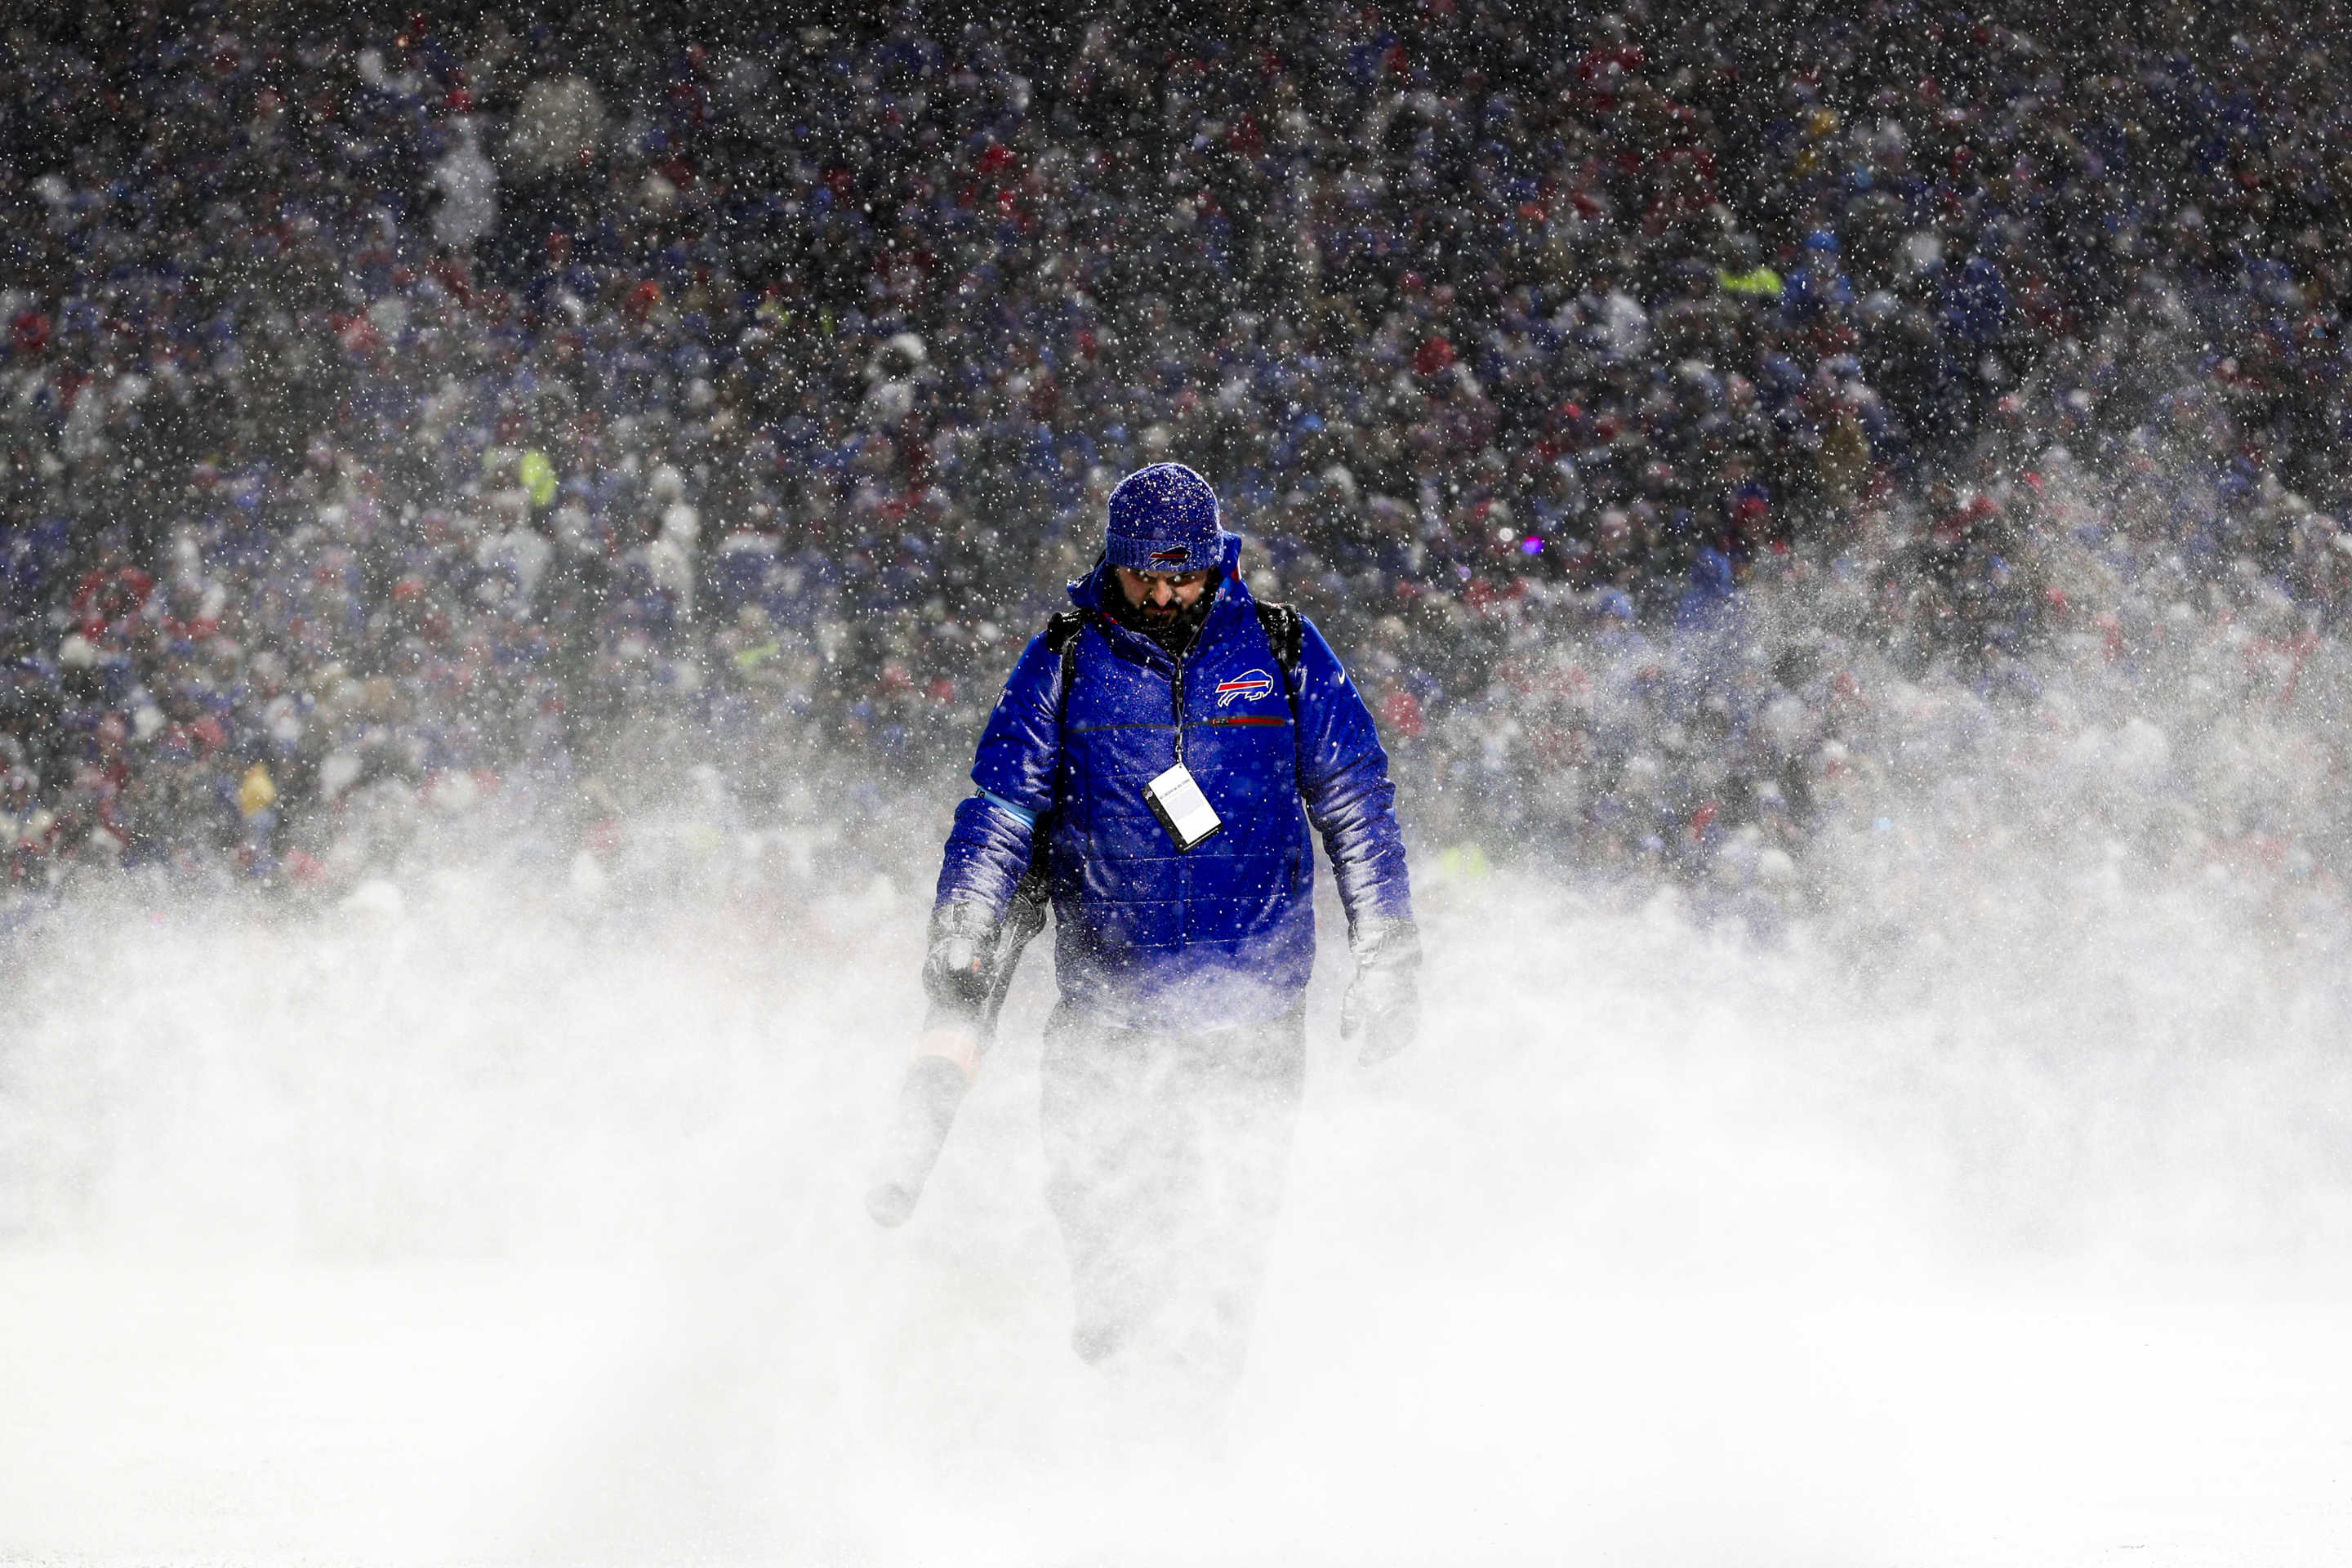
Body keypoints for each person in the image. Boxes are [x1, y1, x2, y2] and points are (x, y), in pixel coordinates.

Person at [925, 461, 1419, 1395]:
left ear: (1216, 561)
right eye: (1141, 575)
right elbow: (1000, 809)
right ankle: (1116, 1363)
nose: (1160, 594)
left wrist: (1388, 954)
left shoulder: (1282, 649)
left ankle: (1201, 1423)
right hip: (1108, 1009)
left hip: (1254, 1010)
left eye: (1180, 574)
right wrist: (963, 925)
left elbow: (1357, 803)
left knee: (1231, 1230)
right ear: (1111, 563)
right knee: (1093, 1199)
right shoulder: (1066, 658)